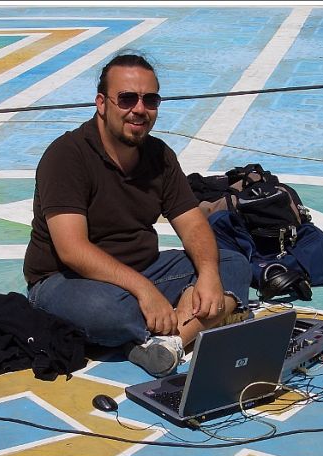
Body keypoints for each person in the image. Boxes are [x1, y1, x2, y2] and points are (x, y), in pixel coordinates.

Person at [23, 53, 251, 378]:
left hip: (145, 269)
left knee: (232, 264)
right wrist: (145, 292)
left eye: (150, 100)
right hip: (66, 281)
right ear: (101, 103)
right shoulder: (67, 156)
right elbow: (72, 249)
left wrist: (209, 275)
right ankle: (200, 318)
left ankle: (167, 345)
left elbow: (193, 224)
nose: (139, 110)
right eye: (127, 99)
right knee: (107, 311)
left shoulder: (159, 155)